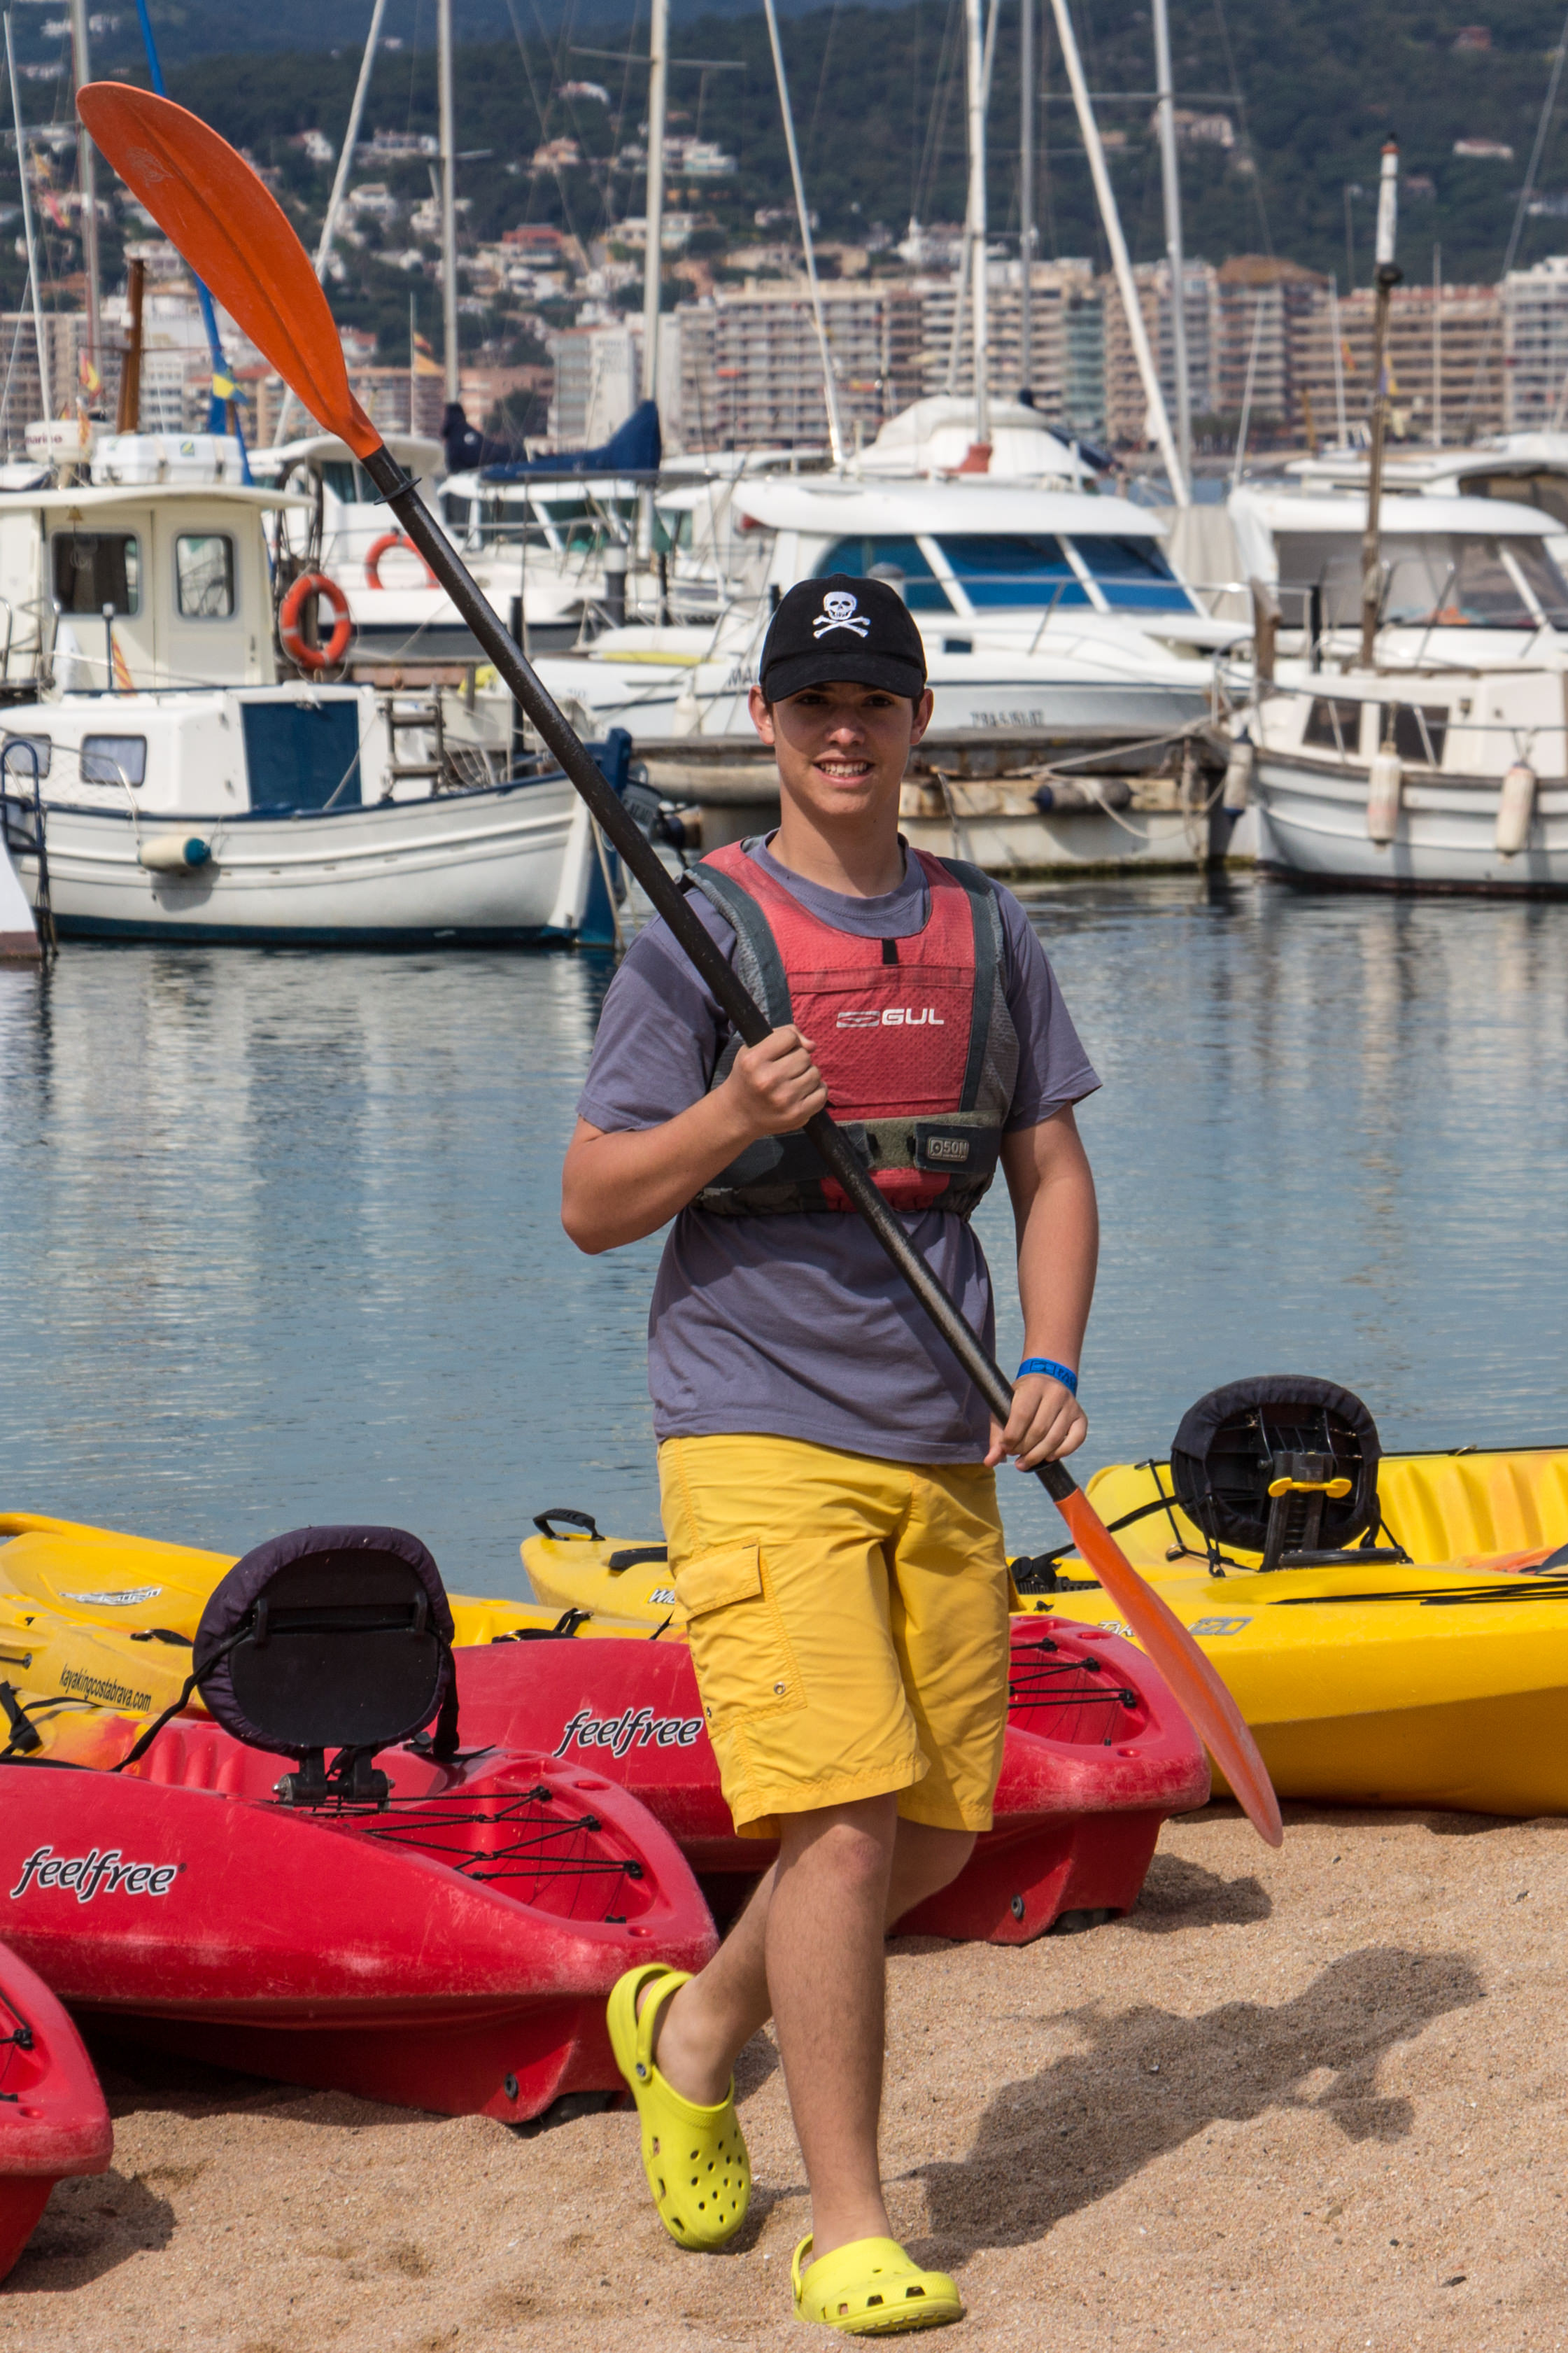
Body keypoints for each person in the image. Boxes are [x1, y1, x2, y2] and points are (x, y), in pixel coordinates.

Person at [562, 573, 1100, 2335]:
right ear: (768, 724)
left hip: (943, 1425)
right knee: (845, 1827)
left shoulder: (988, 931)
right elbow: (591, 1204)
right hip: (749, 1422)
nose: (843, 731)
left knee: (934, 1834)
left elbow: (1050, 1174)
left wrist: (1048, 1357)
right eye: (813, 704)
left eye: (873, 701)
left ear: (917, 720)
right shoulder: (695, 936)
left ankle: (693, 2025)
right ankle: (849, 2226)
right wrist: (729, 1113)